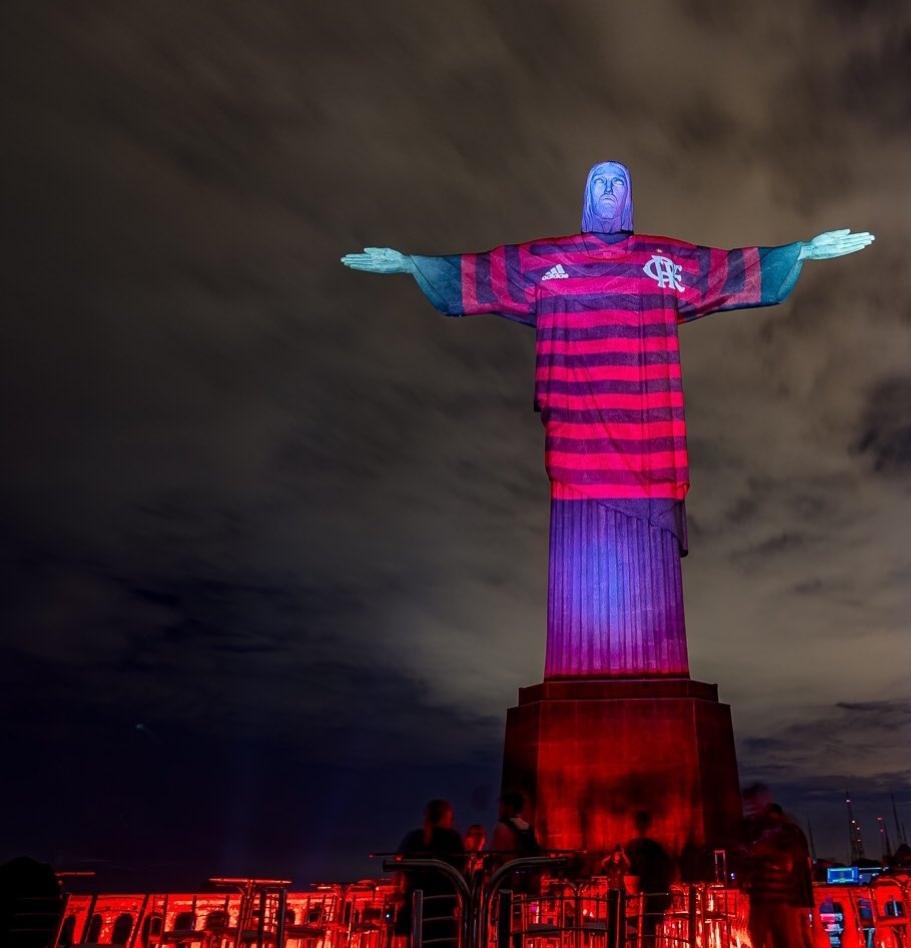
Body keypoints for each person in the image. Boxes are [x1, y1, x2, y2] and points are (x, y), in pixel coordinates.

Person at [341, 163, 874, 685]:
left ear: (629, 197)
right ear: (587, 196)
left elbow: (723, 270)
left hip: (646, 447)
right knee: (582, 589)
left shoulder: (658, 259)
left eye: (619, 183)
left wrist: (797, 252)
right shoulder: (551, 260)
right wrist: (414, 264)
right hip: (578, 451)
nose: (610, 190)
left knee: (647, 593)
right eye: (600, 182)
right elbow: (485, 272)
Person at [743, 804, 816, 948]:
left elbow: (787, 863)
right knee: (799, 936)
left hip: (781, 899)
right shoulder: (791, 833)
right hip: (790, 898)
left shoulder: (782, 836)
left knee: (791, 938)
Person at [394, 799, 465, 947]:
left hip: (416, 904)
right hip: (443, 906)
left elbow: (400, 866)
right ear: (447, 816)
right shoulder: (453, 839)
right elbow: (461, 871)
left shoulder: (413, 838)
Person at [625, 811, 674, 948]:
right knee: (648, 933)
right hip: (650, 897)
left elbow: (628, 871)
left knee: (644, 932)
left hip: (648, 898)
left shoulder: (637, 847)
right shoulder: (652, 847)